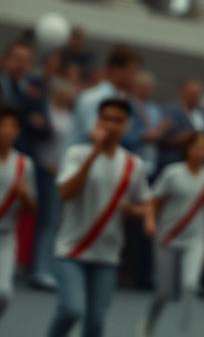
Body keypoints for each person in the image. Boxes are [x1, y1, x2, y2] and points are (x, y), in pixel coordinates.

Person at [48, 97, 154, 337]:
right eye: (106, 119)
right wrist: (94, 152)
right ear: (97, 121)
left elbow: (145, 201)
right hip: (71, 249)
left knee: (96, 322)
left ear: (127, 125)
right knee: (71, 309)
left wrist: (144, 217)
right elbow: (65, 192)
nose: (111, 125)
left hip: (107, 254)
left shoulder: (132, 164)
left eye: (118, 120)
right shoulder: (77, 153)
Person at [139, 131, 204, 337]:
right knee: (163, 292)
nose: (199, 152)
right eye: (195, 147)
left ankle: (183, 332)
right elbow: (153, 201)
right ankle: (149, 322)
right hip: (168, 237)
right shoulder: (173, 173)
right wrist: (150, 221)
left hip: (196, 239)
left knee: (191, 285)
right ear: (187, 149)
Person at [31, 76, 76, 291]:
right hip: (46, 170)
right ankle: (40, 269)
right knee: (48, 222)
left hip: (62, 173)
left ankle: (48, 267)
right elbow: (40, 139)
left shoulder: (70, 115)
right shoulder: (45, 110)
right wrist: (46, 163)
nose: (70, 97)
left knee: (56, 222)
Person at [0, 103, 37, 321]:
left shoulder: (24, 164)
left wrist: (24, 195)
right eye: (2, 125)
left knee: (3, 293)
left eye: (12, 126)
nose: (6, 131)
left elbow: (31, 208)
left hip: (5, 236)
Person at [69, 46, 141, 145]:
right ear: (116, 70)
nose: (135, 77)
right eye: (132, 71)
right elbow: (97, 136)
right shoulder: (93, 98)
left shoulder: (121, 98)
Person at [158, 80, 204, 174]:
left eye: (197, 94)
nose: (195, 97)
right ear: (183, 93)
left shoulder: (202, 115)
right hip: (175, 160)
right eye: (192, 93)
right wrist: (184, 137)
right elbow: (163, 139)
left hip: (201, 163)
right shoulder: (170, 111)